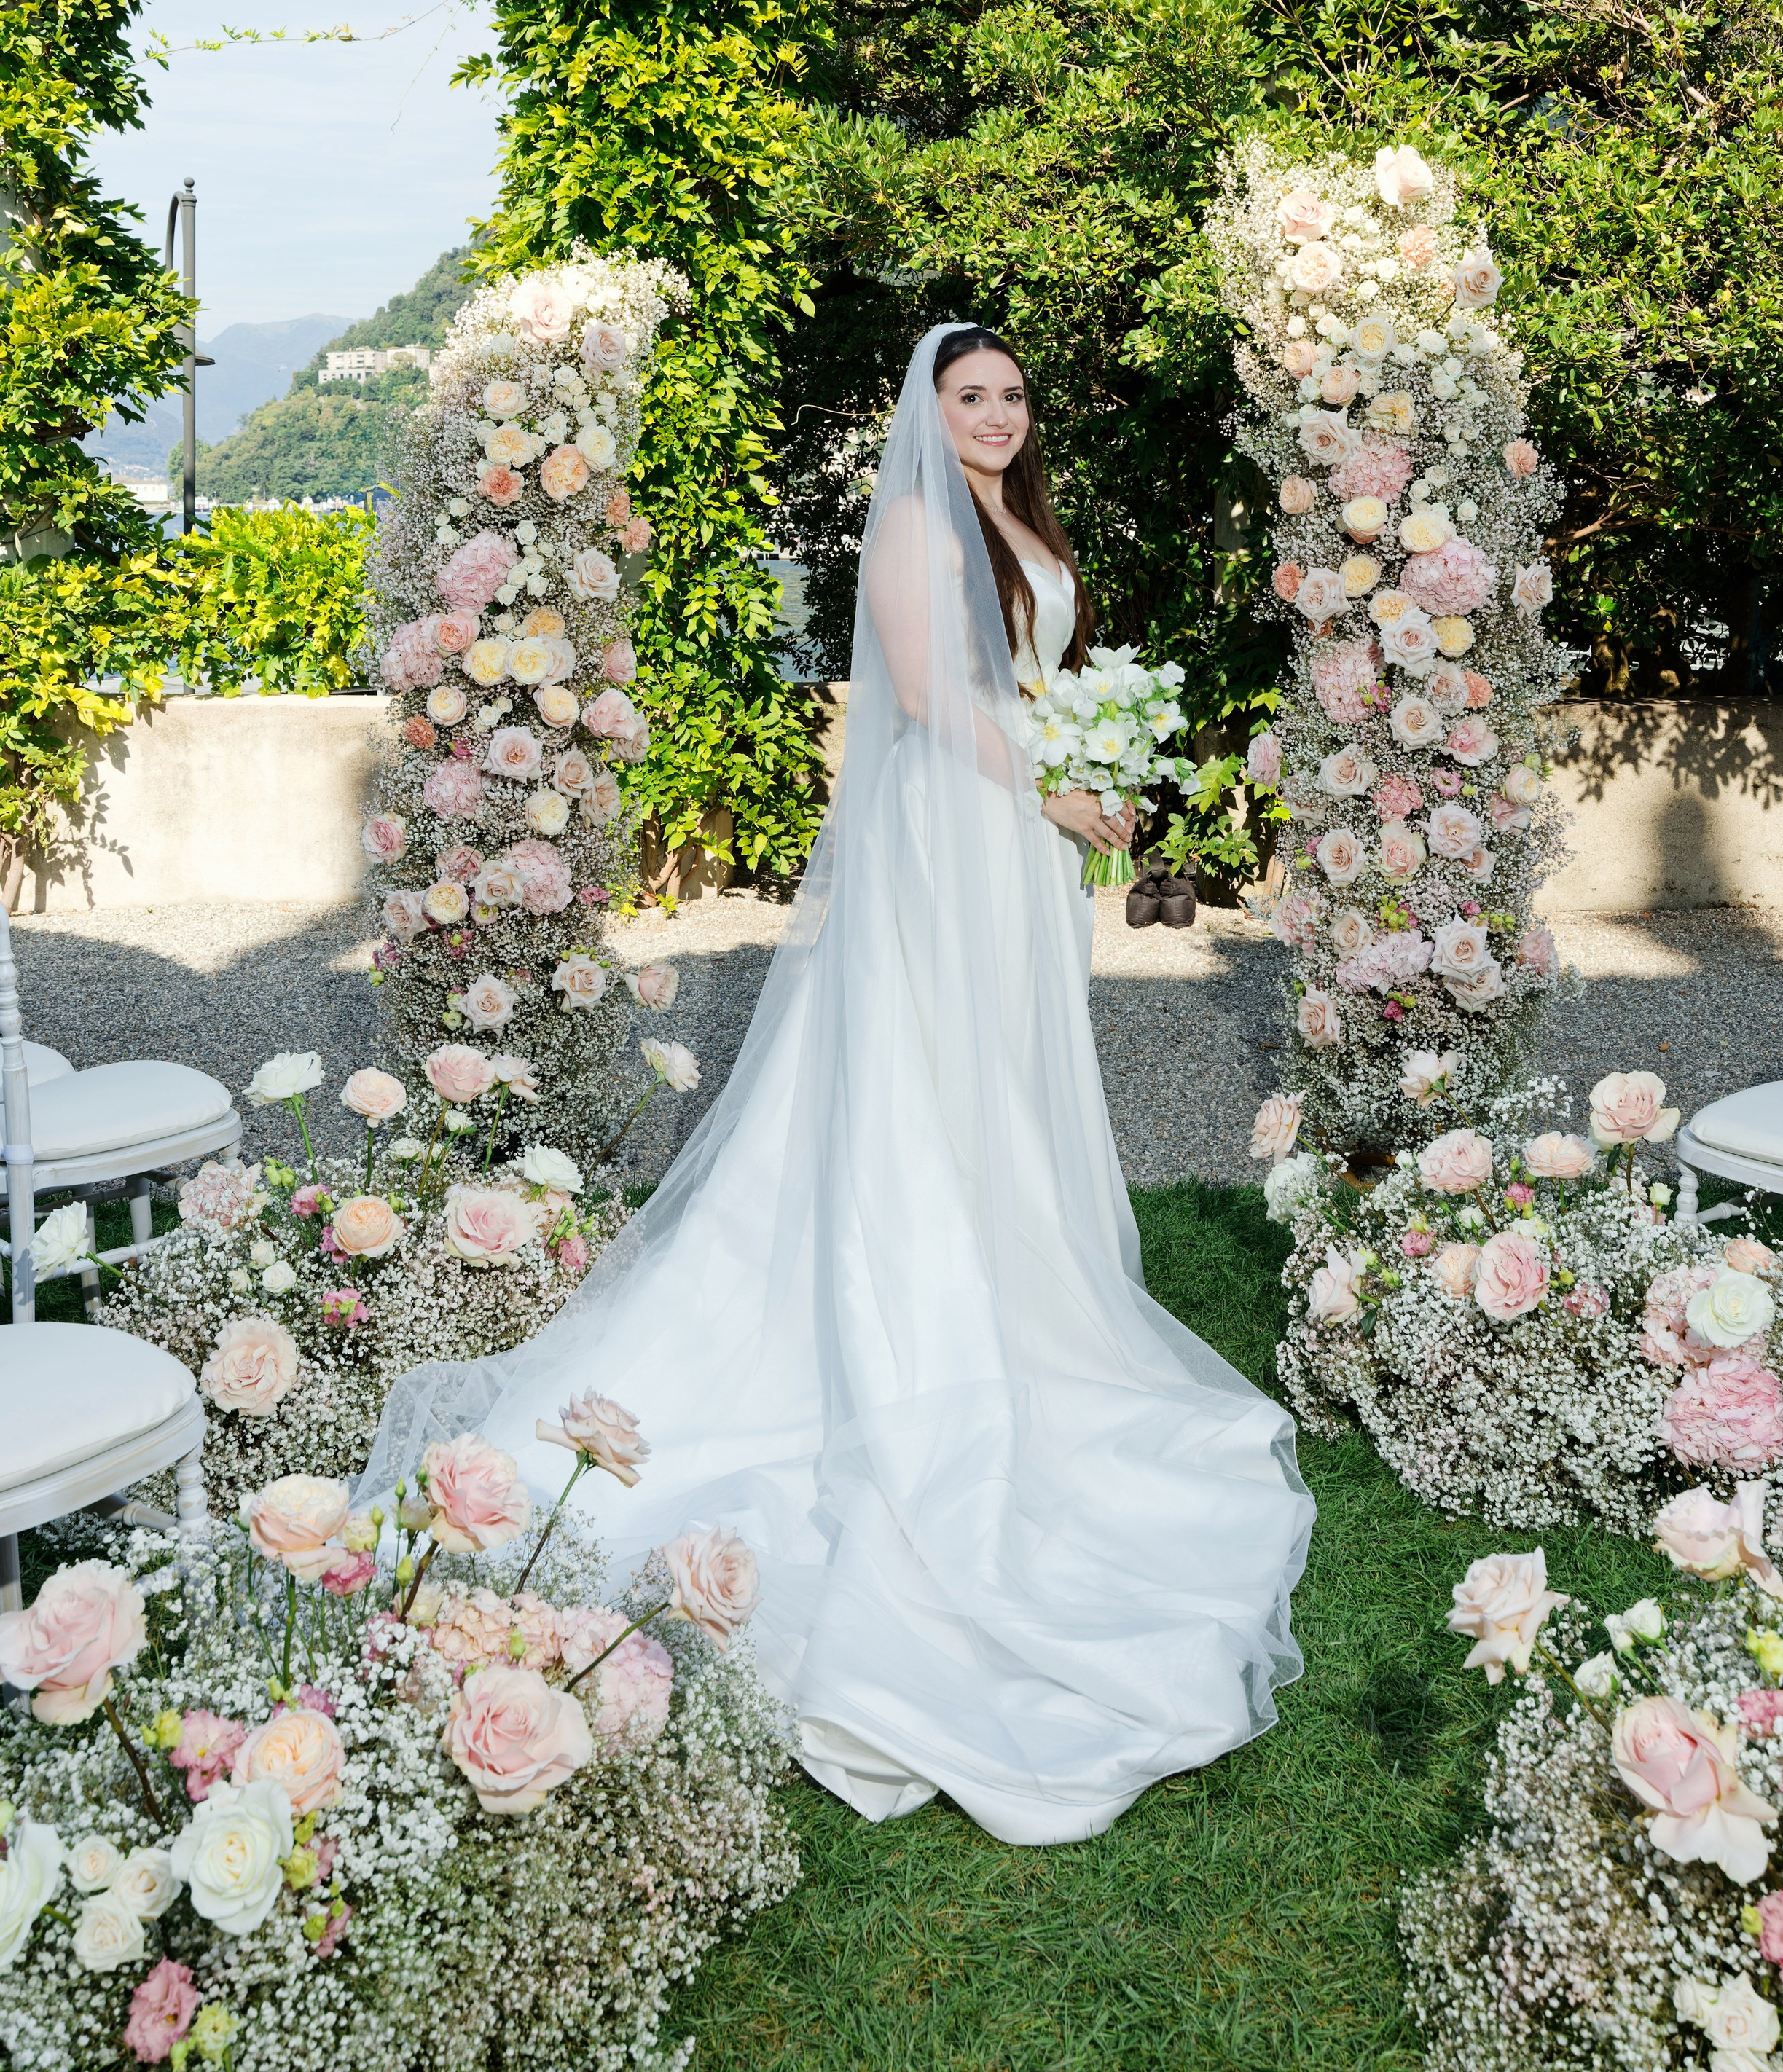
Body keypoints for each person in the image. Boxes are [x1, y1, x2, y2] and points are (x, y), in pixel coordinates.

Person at [363, 321, 1313, 1845]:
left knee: (1004, 1089)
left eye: (1011, 396)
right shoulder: (916, 530)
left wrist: (1093, 764)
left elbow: (1035, 676)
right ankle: (923, 1334)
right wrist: (1054, 781)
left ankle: (1018, 1296)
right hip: (949, 839)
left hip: (1019, 849)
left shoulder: (1020, 521)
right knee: (925, 1095)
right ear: (925, 414)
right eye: (969, 396)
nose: (995, 417)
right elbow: (933, 705)